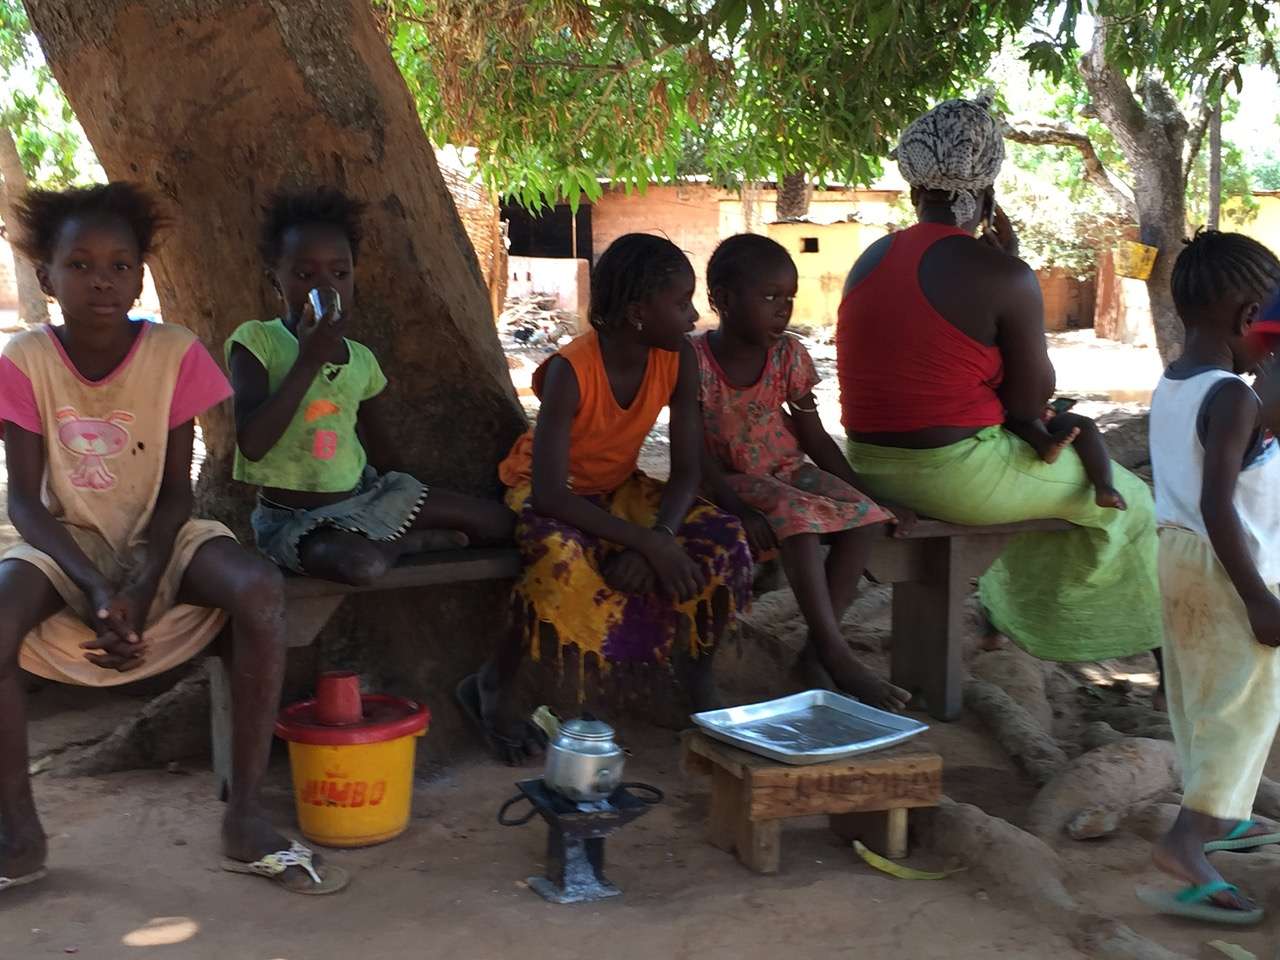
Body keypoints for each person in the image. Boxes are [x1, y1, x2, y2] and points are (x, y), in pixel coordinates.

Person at [0, 183, 344, 894]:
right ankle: (20, 834)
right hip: (62, 541)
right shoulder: (22, 361)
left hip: (161, 533)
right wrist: (96, 586)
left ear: (140, 276)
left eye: (120, 265)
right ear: (45, 276)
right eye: (81, 264)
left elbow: (177, 492)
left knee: (259, 589)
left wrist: (148, 576)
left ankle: (245, 816)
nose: (102, 280)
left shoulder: (174, 352)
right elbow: (25, 504)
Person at [836, 93, 1162, 686]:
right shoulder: (1004, 275)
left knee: (1046, 482)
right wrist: (1014, 266)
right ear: (987, 194)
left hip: (867, 466)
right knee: (1133, 501)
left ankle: (1004, 622)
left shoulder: (871, 257)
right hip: (955, 477)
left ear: (914, 188)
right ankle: (1078, 634)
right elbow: (1028, 402)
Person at [460, 233, 754, 763]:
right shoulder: (571, 371)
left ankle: (695, 674)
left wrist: (659, 538)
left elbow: (688, 470)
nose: (694, 317)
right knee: (558, 561)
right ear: (638, 312)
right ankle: (495, 684)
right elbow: (550, 494)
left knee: (724, 538)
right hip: (551, 491)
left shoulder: (679, 360)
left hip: (618, 488)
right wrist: (648, 543)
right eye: (681, 303)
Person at [226, 188, 513, 584]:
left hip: (365, 499)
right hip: (297, 521)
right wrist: (309, 360)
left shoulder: (361, 359)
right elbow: (252, 444)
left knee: (501, 524)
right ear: (275, 279)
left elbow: (383, 451)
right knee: (362, 565)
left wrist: (409, 502)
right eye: (305, 275)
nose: (325, 287)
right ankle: (404, 544)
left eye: (340, 274)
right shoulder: (256, 341)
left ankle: (392, 534)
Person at [694, 234, 912, 711]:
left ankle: (815, 654)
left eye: (789, 298)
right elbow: (692, 451)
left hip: (787, 472)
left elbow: (814, 437)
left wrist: (867, 494)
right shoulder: (693, 362)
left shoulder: (789, 356)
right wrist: (734, 506)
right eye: (770, 297)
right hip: (727, 480)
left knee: (866, 519)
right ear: (723, 299)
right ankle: (836, 651)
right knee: (800, 520)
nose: (783, 310)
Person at [1139, 231, 1280, 925]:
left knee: (1205, 701)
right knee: (1242, 709)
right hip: (1229, 573)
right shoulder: (1232, 397)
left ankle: (1226, 811)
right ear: (1250, 316)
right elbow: (1221, 502)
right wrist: (1257, 598)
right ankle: (1188, 843)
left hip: (1180, 557)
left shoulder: (1177, 380)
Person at [1004, 403, 1126, 509]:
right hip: (1016, 413)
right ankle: (1046, 445)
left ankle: (1104, 488)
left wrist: (1048, 408)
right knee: (1023, 412)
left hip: (1043, 415)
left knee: (1084, 423)